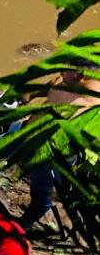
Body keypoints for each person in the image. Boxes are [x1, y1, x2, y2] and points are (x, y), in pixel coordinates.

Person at [17, 61, 100, 228]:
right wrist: (29, 94)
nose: (60, 72)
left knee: (42, 192)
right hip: (29, 132)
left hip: (52, 155)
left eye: (65, 70)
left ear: (81, 75)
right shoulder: (65, 81)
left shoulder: (92, 102)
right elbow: (49, 87)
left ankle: (24, 225)